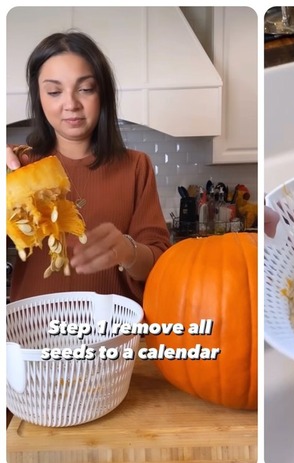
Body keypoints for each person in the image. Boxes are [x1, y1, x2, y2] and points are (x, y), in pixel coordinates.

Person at [6, 31, 171, 305]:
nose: (71, 104)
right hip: (33, 337)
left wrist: (127, 251)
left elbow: (159, 264)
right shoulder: (19, 168)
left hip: (116, 335)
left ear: (102, 94)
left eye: (85, 89)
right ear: (39, 97)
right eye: (54, 91)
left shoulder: (136, 167)